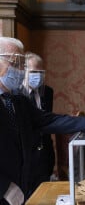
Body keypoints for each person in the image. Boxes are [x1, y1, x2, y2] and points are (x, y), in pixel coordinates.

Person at [0, 36, 85, 205]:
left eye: (21, 63)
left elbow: (50, 120)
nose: (20, 70)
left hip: (18, 203)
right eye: (16, 63)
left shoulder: (17, 101)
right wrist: (3, 187)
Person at [17, 52, 56, 193]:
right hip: (26, 155)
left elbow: (48, 121)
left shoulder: (48, 92)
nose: (38, 76)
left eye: (41, 72)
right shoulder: (17, 94)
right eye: (34, 72)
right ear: (24, 71)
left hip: (45, 153)